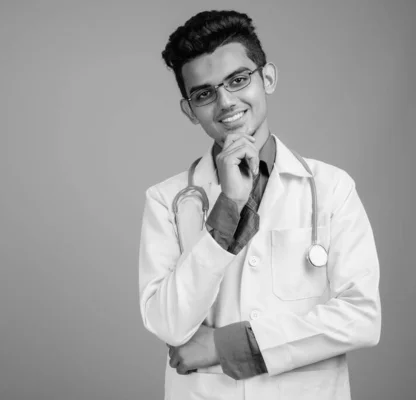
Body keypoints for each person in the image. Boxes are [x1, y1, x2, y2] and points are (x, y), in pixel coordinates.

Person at [138, 10, 381, 400]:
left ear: (267, 78)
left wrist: (224, 346)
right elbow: (169, 324)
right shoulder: (167, 201)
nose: (225, 102)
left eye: (237, 80)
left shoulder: (332, 188)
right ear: (189, 110)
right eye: (204, 93)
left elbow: (362, 318)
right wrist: (227, 209)